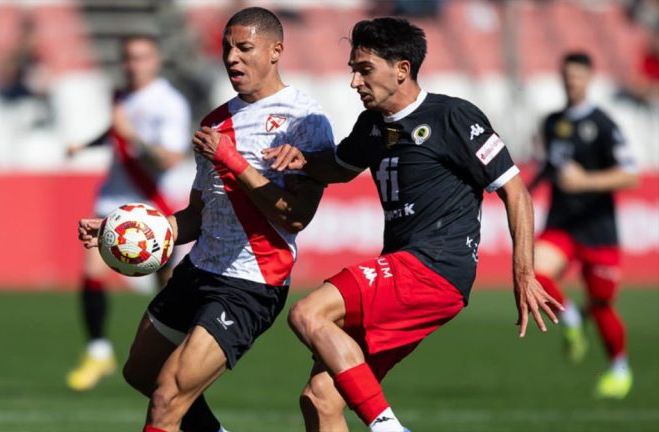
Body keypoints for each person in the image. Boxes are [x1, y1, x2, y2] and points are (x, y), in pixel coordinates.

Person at [263, 17, 561, 432]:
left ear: (401, 69)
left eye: (364, 69)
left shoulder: (453, 116)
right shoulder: (372, 126)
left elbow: (516, 192)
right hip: (406, 268)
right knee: (321, 398)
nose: (355, 82)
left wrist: (524, 271)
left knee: (308, 313)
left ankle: (388, 427)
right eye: (353, 69)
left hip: (433, 267)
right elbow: (340, 169)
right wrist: (305, 161)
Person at [77, 7, 334, 432]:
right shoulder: (215, 121)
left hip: (250, 283)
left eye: (245, 48)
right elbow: (196, 215)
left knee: (167, 399)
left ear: (276, 51)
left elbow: (296, 218)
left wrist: (231, 160)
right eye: (226, 48)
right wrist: (119, 233)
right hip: (200, 269)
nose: (232, 58)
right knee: (140, 373)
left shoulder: (304, 120)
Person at [65, 35, 191, 392]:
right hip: (113, 200)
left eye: (141, 56)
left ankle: (173, 355)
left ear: (155, 60)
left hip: (151, 204)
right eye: (128, 57)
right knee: (91, 269)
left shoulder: (169, 103)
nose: (134, 64)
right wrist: (87, 144)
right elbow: (115, 133)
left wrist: (131, 136)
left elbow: (168, 158)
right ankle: (98, 350)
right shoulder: (121, 96)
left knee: (164, 285)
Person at [529, 52, 639, 399]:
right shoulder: (551, 122)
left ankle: (620, 368)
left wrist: (587, 181)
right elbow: (550, 165)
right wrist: (524, 191)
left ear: (589, 78)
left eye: (577, 76)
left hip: (598, 228)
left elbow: (630, 176)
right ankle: (572, 316)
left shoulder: (604, 124)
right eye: (566, 76)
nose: (571, 82)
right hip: (561, 223)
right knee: (534, 271)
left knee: (603, 304)